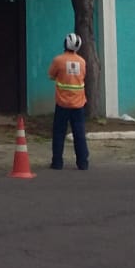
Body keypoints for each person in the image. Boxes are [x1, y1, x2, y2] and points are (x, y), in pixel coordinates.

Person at [48, 32, 89, 171]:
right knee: (79, 133)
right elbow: (83, 77)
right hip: (78, 104)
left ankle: (57, 163)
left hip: (62, 104)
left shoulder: (58, 60)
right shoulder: (82, 62)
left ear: (65, 43)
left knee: (59, 133)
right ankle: (83, 163)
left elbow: (51, 75)